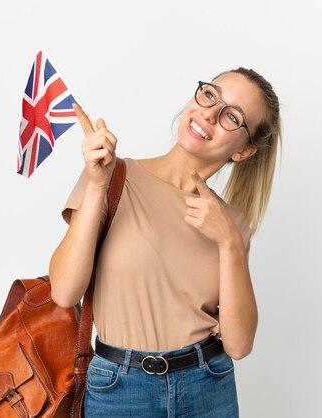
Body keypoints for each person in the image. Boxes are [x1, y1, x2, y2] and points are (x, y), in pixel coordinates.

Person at [49, 67, 281, 417]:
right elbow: (64, 292)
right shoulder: (112, 177)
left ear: (244, 152)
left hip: (208, 387)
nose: (210, 113)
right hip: (118, 390)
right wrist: (96, 186)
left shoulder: (231, 225)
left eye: (231, 116)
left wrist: (230, 242)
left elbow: (238, 344)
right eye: (210, 95)